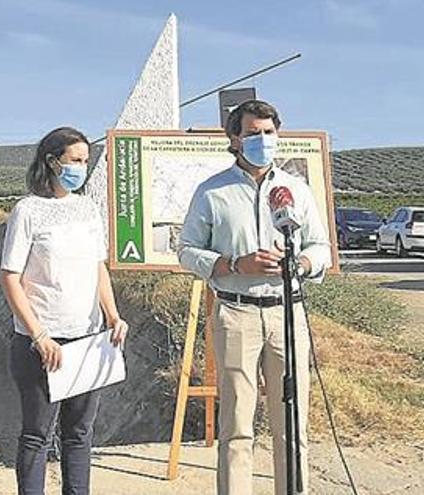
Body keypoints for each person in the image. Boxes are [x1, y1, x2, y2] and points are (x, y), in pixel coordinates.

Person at [179, 100, 331, 494]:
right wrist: (232, 264)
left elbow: (321, 247)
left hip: (288, 315)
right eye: (252, 133)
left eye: (268, 132)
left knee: (292, 424)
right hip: (236, 313)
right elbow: (187, 250)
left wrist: (301, 265)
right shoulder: (212, 192)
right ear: (235, 139)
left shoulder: (295, 190)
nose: (262, 140)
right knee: (237, 427)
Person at [0, 127, 129, 495]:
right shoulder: (27, 211)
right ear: (52, 161)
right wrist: (38, 335)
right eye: (75, 160)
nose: (81, 168)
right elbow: (10, 277)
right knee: (37, 434)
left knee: (79, 433)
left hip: (88, 340)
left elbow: (98, 268)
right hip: (41, 344)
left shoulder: (87, 209)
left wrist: (113, 315)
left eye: (85, 161)